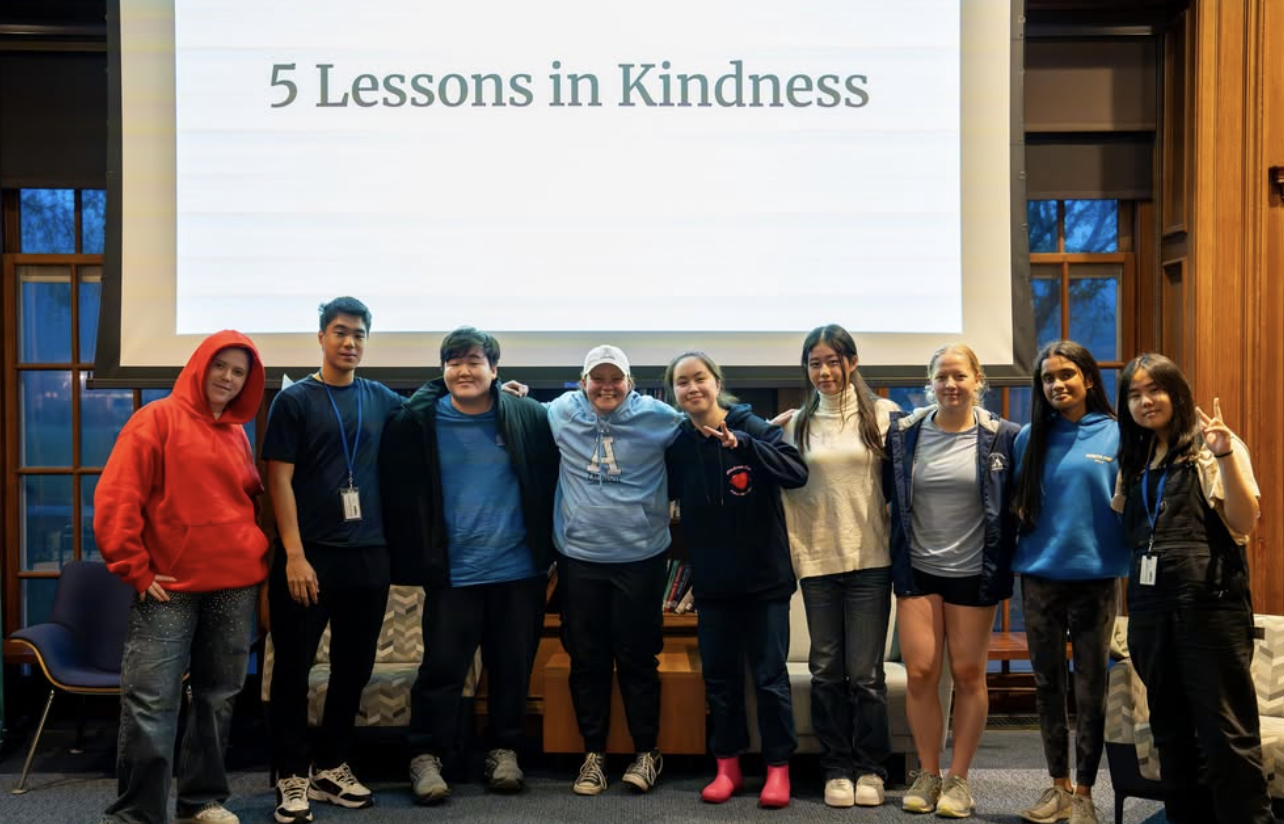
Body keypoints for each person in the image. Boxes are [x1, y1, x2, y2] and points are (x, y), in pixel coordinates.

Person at [379, 327, 559, 804]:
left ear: (494, 370)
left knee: (512, 669)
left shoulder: (526, 415)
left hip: (519, 571)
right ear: (442, 370)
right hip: (453, 573)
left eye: (474, 361)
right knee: (442, 670)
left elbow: (550, 477)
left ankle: (504, 750)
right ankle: (426, 755)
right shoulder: (419, 420)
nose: (464, 370)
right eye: (454, 361)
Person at [95, 331, 268, 824]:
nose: (228, 378)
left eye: (239, 372)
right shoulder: (155, 419)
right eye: (220, 366)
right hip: (168, 588)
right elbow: (117, 496)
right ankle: (138, 813)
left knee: (218, 699)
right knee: (151, 701)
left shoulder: (236, 432)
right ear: (199, 366)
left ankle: (200, 801)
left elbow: (246, 496)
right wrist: (134, 567)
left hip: (234, 584)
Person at [262, 297, 406, 824]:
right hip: (309, 557)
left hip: (368, 555)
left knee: (354, 667)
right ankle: (291, 773)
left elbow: (429, 407)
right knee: (293, 669)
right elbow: (278, 480)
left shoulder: (379, 398)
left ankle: (330, 765)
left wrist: (505, 391)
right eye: (341, 332)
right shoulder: (294, 400)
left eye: (359, 334)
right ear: (321, 336)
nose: (350, 342)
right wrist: (294, 555)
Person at [1114, 353, 1272, 824]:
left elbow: (1245, 521)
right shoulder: (1135, 458)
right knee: (1170, 734)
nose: (1145, 402)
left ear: (1177, 393)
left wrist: (1224, 453)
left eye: (1155, 390)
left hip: (1210, 610)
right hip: (1150, 611)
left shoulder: (1213, 446)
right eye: (1134, 395)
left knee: (1226, 734)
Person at [663, 351, 808, 808]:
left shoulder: (752, 426)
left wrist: (744, 446)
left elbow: (796, 472)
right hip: (713, 585)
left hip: (765, 581)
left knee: (769, 679)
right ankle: (727, 767)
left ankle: (778, 769)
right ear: (674, 392)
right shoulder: (678, 443)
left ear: (717, 382)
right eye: (682, 382)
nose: (692, 388)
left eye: (699, 378)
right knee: (721, 681)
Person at [884, 342, 1019, 818]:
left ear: (978, 380)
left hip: (974, 571)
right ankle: (928, 773)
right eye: (941, 376)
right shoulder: (905, 433)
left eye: (960, 375)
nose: (950, 385)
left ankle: (959, 778)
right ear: (930, 383)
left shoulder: (1002, 436)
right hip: (917, 567)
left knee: (967, 674)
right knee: (921, 672)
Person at [548, 344, 683, 795]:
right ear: (582, 382)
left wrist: (754, 424)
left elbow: (704, 418)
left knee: (637, 657)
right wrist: (509, 393)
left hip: (640, 558)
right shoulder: (561, 411)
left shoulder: (659, 417)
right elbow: (522, 411)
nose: (606, 387)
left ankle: (646, 751)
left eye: (616, 379)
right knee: (587, 659)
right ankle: (593, 755)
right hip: (579, 557)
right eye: (597, 378)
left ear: (630, 382)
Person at [776, 324, 900, 809]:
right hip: (818, 559)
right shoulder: (796, 424)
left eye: (832, 361)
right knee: (826, 670)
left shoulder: (883, 414)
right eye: (815, 363)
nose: (824, 371)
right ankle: (836, 767)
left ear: (852, 362)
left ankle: (871, 767)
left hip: (871, 558)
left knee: (866, 673)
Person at [1011, 341, 1129, 824]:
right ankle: (1057, 787)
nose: (1057, 384)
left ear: (1088, 379)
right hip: (1039, 577)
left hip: (1097, 578)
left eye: (1066, 375)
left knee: (1090, 688)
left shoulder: (1119, 434)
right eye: (1047, 378)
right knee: (1046, 685)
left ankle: (1085, 793)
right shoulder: (1029, 438)